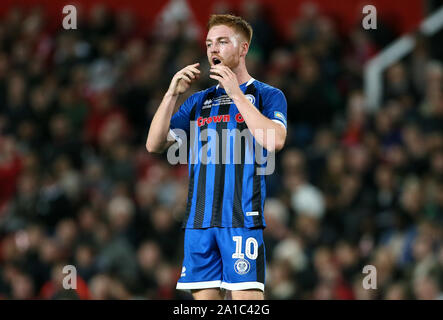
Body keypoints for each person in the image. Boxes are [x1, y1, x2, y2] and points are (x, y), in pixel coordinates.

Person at [146, 14, 287, 300]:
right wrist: (172, 94)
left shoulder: (267, 95)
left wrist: (236, 93)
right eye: (210, 43)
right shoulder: (198, 101)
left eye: (222, 42)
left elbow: (275, 140)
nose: (213, 49)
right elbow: (154, 144)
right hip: (199, 223)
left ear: (243, 49)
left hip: (241, 219)